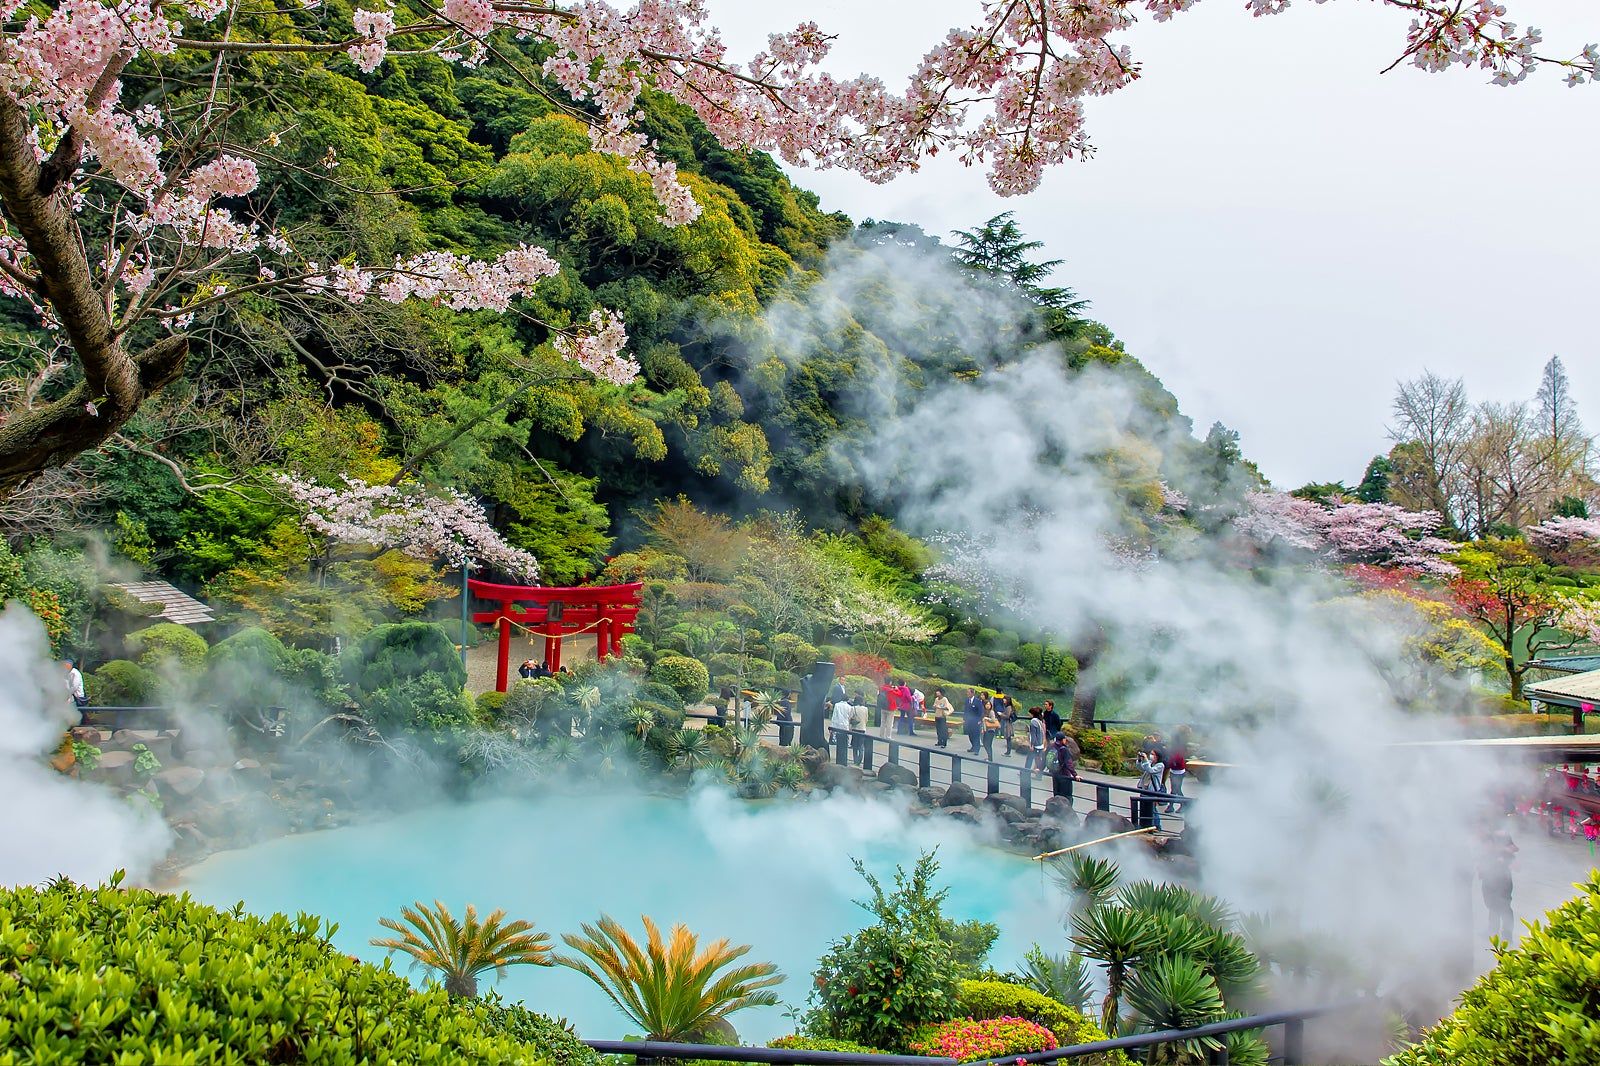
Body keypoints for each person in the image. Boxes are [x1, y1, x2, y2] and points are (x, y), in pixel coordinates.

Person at [1479, 822, 1518, 941]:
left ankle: (1507, 935)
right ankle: (1493, 931)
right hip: (1489, 879)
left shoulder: (1502, 840)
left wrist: (1503, 857)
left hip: (1502, 881)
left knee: (1504, 906)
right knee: (1492, 905)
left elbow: (1514, 852)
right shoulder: (1488, 839)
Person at [1136, 748, 1166, 831]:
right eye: (1151, 754)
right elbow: (1141, 768)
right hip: (1144, 788)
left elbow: (1150, 770)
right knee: (1144, 808)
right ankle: (1145, 825)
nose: (1151, 756)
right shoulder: (1150, 762)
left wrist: (1145, 759)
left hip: (1152, 790)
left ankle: (1157, 826)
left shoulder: (1160, 765)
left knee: (1152, 809)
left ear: (1157, 756)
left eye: (1153, 754)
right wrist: (1139, 760)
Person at [1164, 728, 1190, 813]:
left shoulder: (1179, 747)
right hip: (1174, 770)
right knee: (1174, 789)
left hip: (1178, 770)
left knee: (1177, 789)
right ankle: (1172, 806)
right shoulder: (1175, 747)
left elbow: (1177, 759)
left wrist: (1171, 762)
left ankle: (1182, 804)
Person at [1049, 730, 1078, 799]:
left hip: (1055, 774)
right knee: (1067, 796)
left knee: (1057, 795)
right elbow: (1069, 763)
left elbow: (1045, 757)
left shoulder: (1051, 746)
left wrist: (1040, 768)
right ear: (1062, 740)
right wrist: (1075, 775)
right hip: (1064, 776)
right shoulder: (1064, 749)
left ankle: (1056, 805)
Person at [1023, 708, 1047, 777]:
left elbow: (1033, 735)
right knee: (1037, 760)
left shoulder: (1033, 722)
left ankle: (1026, 773)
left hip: (1036, 745)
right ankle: (1039, 774)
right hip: (1040, 744)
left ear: (1032, 714)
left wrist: (1032, 745)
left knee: (1029, 759)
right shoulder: (1040, 721)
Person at [980, 695, 1000, 761]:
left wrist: (987, 718)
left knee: (988, 744)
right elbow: (983, 721)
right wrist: (982, 728)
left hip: (991, 730)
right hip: (986, 730)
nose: (988, 706)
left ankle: (990, 758)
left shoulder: (991, 712)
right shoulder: (984, 712)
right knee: (985, 743)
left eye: (989, 704)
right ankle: (989, 757)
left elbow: (993, 720)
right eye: (986, 704)